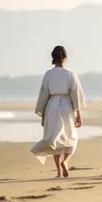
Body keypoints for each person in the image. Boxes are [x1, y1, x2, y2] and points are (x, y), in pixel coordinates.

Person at [31, 45, 86, 178]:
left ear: (53, 58)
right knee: (71, 136)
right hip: (66, 106)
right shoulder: (71, 73)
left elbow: (44, 95)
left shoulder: (48, 74)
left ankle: (59, 171)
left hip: (52, 106)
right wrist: (78, 114)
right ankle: (65, 161)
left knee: (55, 138)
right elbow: (75, 94)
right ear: (65, 57)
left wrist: (43, 115)